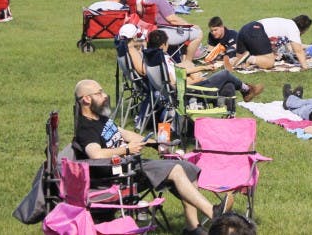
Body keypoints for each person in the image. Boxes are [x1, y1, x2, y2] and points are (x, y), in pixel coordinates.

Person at [72, 78, 224, 235]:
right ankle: (214, 213)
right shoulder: (86, 128)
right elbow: (95, 154)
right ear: (86, 99)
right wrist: (126, 150)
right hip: (120, 176)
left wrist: (155, 143)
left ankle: (193, 227)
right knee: (177, 170)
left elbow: (125, 133)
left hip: (131, 165)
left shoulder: (100, 118)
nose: (105, 95)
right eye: (99, 93)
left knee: (188, 167)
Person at [142, 0, 203, 66]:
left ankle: (182, 58)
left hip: (154, 32)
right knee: (198, 33)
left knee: (189, 31)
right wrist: (190, 25)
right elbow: (172, 19)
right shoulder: (160, 0)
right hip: (166, 32)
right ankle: (188, 62)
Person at [227, 16, 311, 71]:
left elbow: (267, 43)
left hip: (244, 29)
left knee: (239, 60)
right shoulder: (293, 28)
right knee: (269, 62)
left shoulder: (284, 22)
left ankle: (231, 60)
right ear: (304, 29)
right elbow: (298, 51)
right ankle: (248, 58)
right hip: (256, 30)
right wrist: (305, 66)